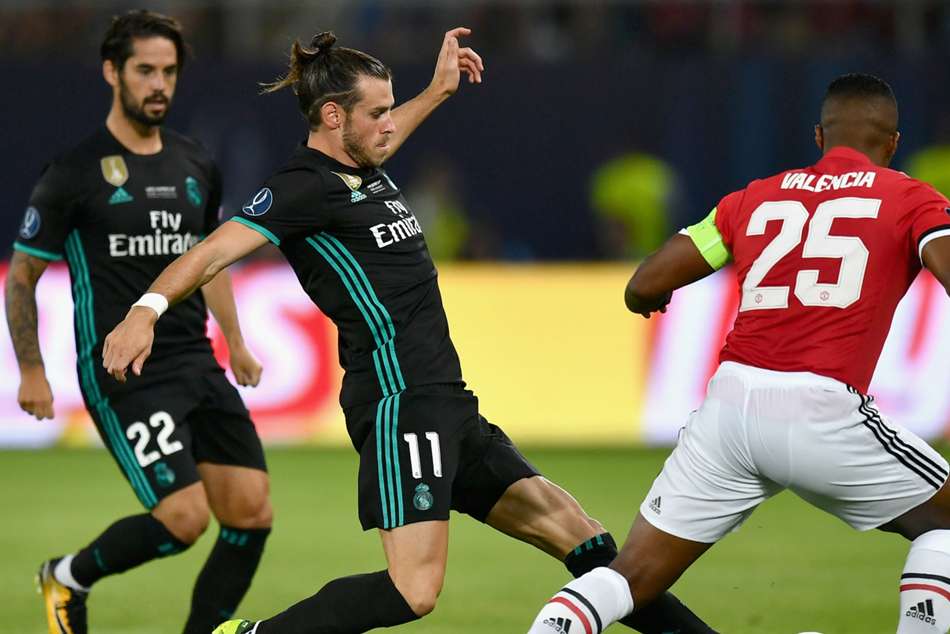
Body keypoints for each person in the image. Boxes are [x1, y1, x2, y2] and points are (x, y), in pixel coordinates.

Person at [100, 28, 717, 634]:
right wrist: (145, 310)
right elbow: (211, 253)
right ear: (334, 116)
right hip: (399, 404)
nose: (390, 125)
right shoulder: (300, 189)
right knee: (413, 591)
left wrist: (439, 92)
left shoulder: (362, 167)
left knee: (587, 542)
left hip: (447, 401)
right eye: (379, 112)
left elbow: (383, 144)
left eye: (392, 109)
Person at [527, 73, 950, 634]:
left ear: (819, 136)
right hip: (822, 406)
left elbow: (644, 282)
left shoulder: (754, 198)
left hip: (728, 409)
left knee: (632, 576)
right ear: (894, 144)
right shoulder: (909, 196)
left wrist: (650, 299)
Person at [6, 11, 272, 634]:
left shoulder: (195, 161)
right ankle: (68, 576)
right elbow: (22, 276)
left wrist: (234, 341)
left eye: (170, 72)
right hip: (124, 371)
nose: (160, 84)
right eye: (145, 70)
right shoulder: (73, 171)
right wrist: (31, 369)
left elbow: (211, 258)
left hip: (196, 363)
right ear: (111, 72)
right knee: (184, 518)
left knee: (251, 513)